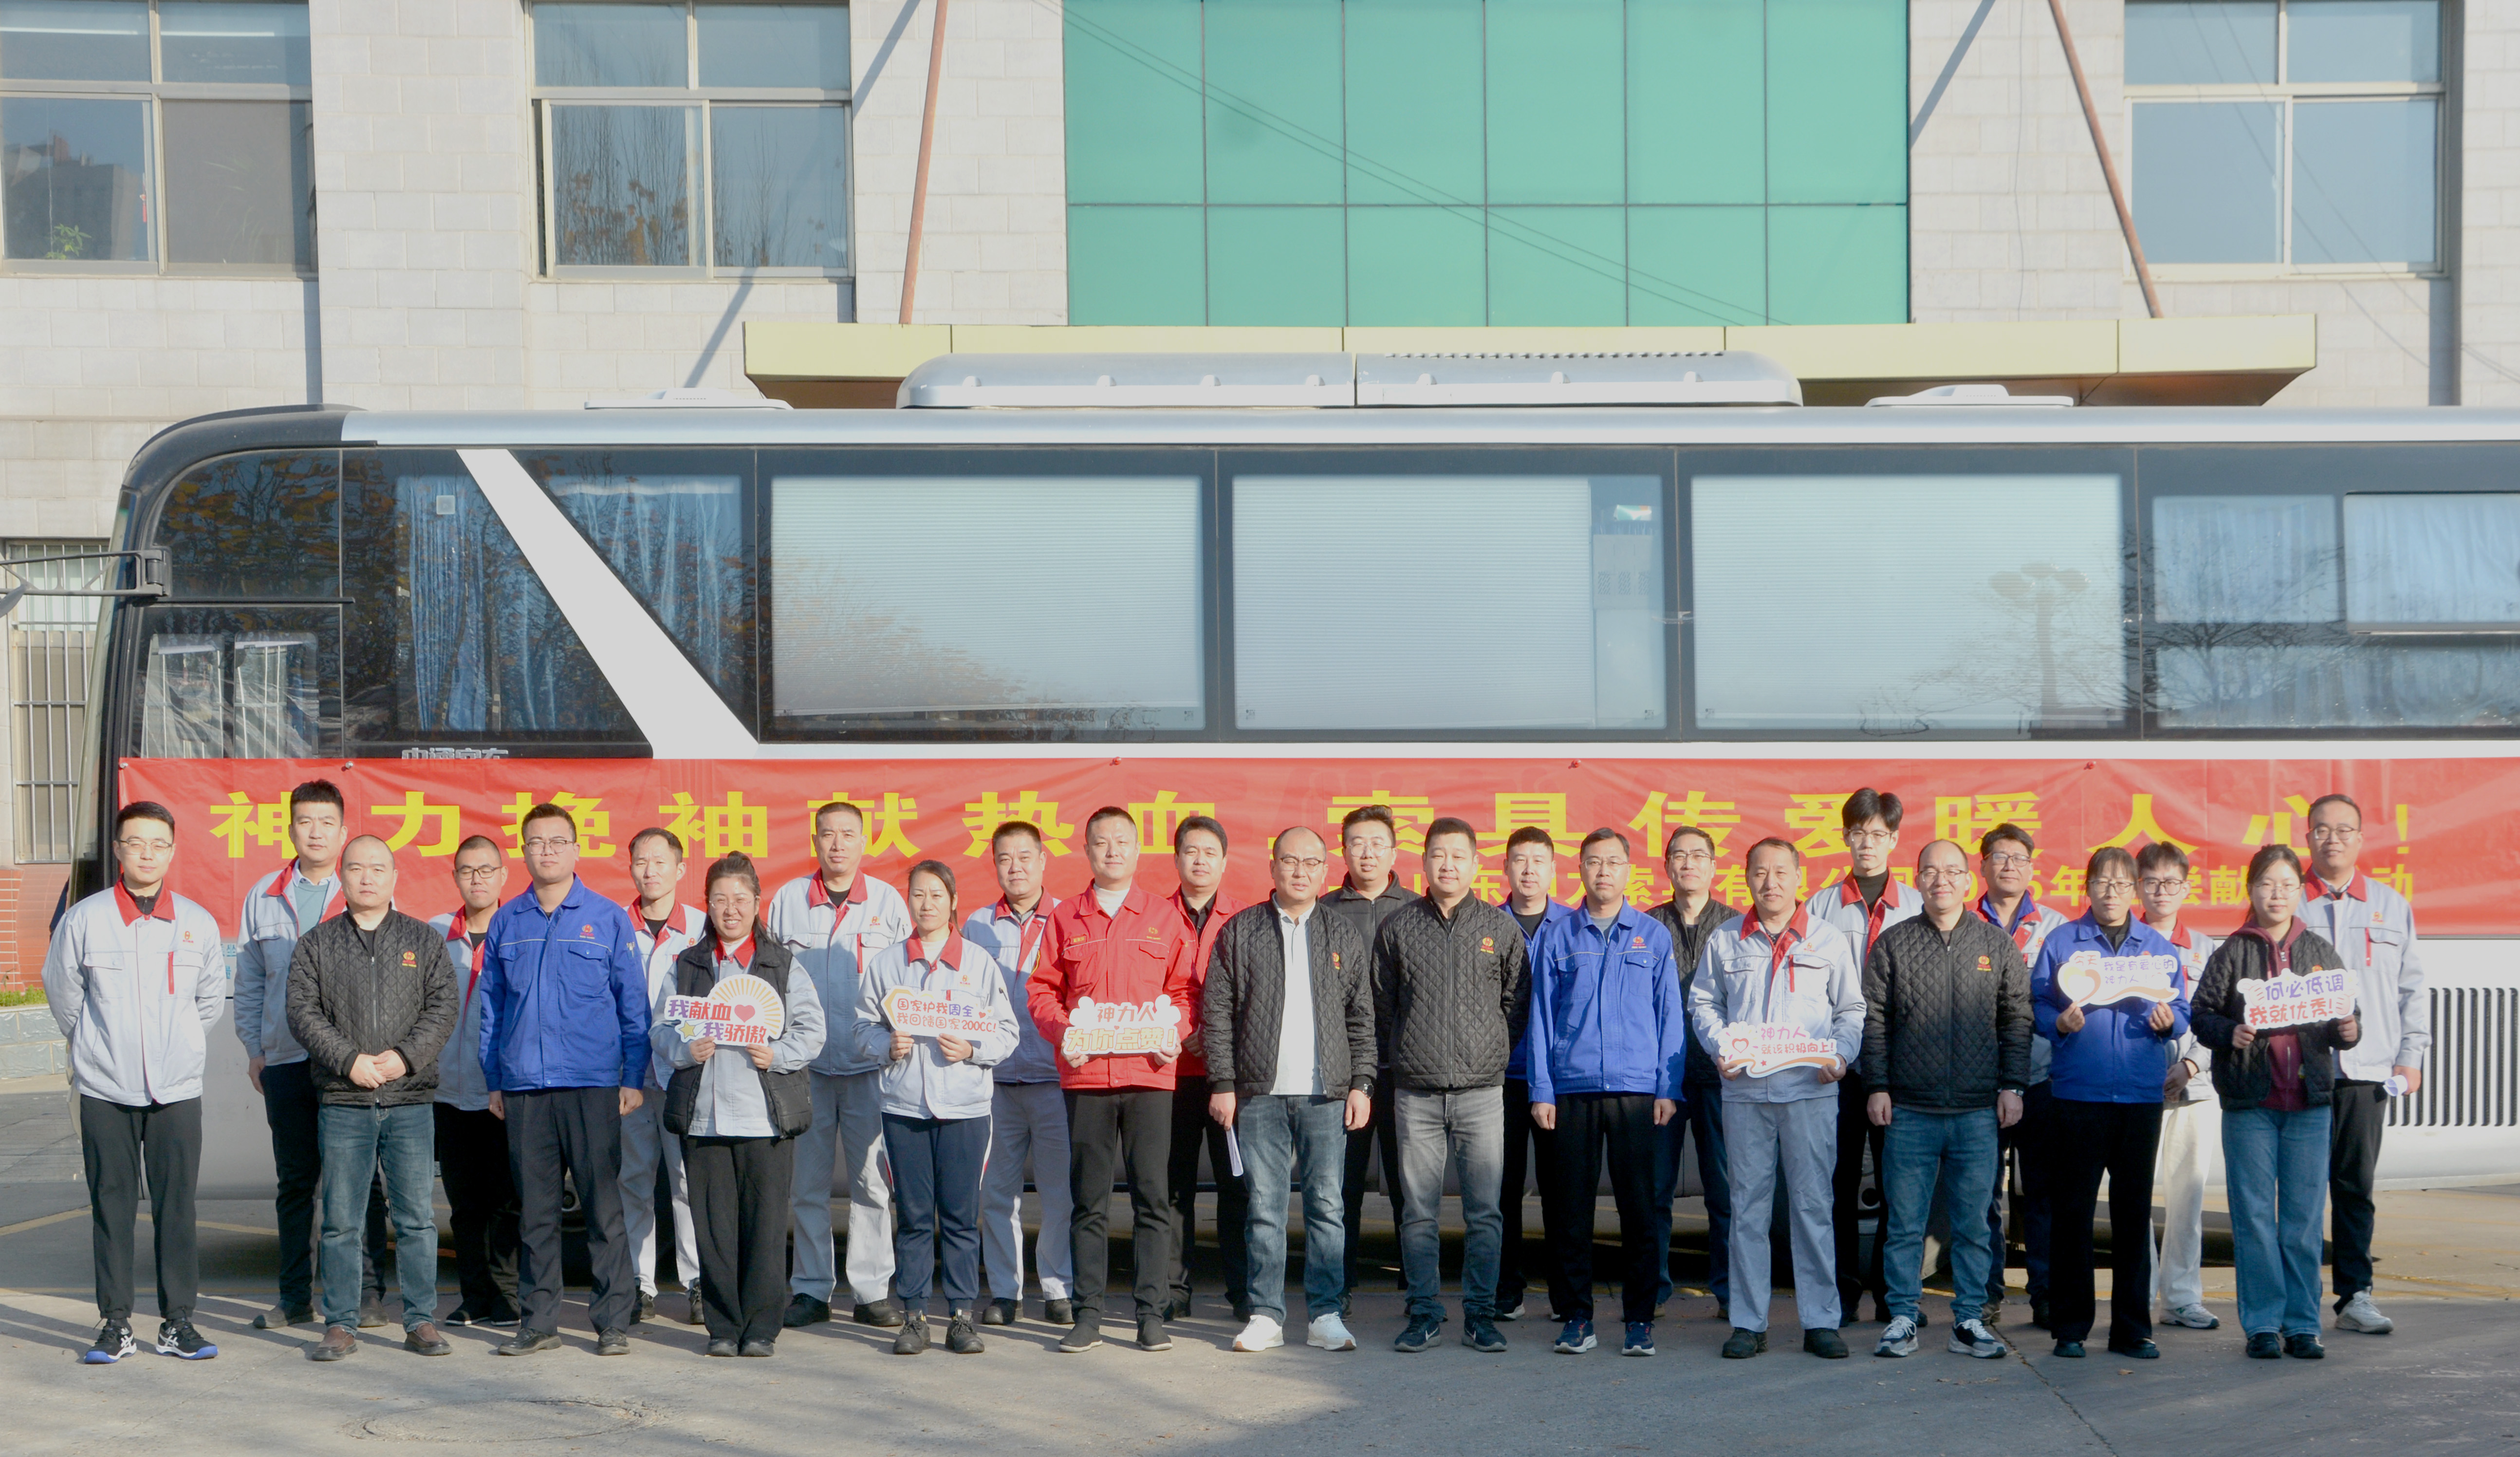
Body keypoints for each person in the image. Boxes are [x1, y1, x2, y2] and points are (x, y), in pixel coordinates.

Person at [45, 801, 225, 1364]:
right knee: (111, 1206)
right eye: (136, 842)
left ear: (172, 851)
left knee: (178, 1208)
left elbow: (209, 1002)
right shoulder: (86, 919)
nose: (147, 853)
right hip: (105, 1089)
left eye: (158, 843)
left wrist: (178, 1046)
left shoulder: (196, 922)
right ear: (118, 849)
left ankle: (178, 1322)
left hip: (177, 1090)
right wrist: (96, 1046)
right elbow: (63, 994)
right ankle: (116, 1323)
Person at [475, 802, 651, 1356]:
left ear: (576, 849)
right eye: (536, 842)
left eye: (557, 841)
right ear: (523, 852)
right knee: (536, 1214)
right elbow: (491, 1008)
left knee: (603, 1209)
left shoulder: (607, 917)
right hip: (525, 1087)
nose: (546, 851)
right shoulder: (507, 921)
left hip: (592, 1084)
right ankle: (539, 1322)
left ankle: (612, 1321)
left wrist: (632, 1075)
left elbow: (633, 1004)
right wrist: (494, 1078)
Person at [1028, 806, 1201, 1353]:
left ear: (1138, 849)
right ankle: (1088, 1315)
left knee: (1153, 1198)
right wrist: (1066, 1032)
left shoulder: (1164, 917)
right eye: (1101, 842)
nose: (1112, 851)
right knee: (1089, 1202)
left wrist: (1176, 1030)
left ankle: (1151, 1314)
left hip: (1150, 1076)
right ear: (1086, 850)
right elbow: (1041, 992)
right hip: (1086, 1080)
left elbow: (1186, 992)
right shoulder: (1065, 918)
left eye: (1122, 841)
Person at [285, 835, 460, 1361]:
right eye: (357, 868)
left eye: (378, 868)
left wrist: (406, 1057)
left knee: (417, 1219)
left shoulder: (422, 940)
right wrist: (349, 1061)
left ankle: (421, 1319)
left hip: (410, 1101)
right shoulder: (317, 944)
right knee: (341, 1220)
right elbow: (302, 1012)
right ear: (341, 876)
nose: (367, 878)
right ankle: (340, 1323)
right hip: (344, 1100)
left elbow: (443, 1006)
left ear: (394, 877)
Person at [1203, 826, 1375, 1355]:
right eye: (1290, 861)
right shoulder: (1241, 930)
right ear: (1273, 866)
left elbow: (1361, 1017)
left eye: (1311, 863)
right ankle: (1266, 1315)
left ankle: (1325, 1314)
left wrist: (1362, 1083)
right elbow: (1217, 1013)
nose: (1300, 871)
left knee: (1327, 1206)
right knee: (1264, 1207)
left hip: (1327, 1095)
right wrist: (1223, 1083)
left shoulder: (1341, 933)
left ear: (1325, 870)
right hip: (1259, 1095)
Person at [1691, 837, 1863, 1361]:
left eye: (1781, 872)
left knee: (1812, 1206)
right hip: (1745, 1093)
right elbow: (1704, 1002)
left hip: (1810, 1091)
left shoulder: (1826, 939)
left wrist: (1841, 1056)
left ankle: (1821, 1321)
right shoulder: (1726, 939)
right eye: (1760, 872)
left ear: (1798, 877)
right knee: (1748, 1208)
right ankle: (1748, 1322)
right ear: (1746, 878)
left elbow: (1850, 1010)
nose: (1771, 882)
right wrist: (1720, 1046)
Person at [2190, 845, 2362, 1361]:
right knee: (2255, 1218)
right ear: (2251, 890)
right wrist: (2229, 1031)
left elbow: (2343, 1015)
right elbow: (2201, 1014)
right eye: (2267, 884)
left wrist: (2349, 1031)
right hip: (2251, 1103)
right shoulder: (2232, 952)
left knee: (2303, 1221)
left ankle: (2303, 1324)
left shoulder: (2318, 951)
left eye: (2287, 885)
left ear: (2300, 892)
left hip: (2310, 1104)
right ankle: (2263, 1324)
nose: (2277, 894)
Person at [1862, 839, 2028, 1361]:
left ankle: (1970, 1319)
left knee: (1974, 1224)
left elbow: (2016, 1019)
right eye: (1931, 871)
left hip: (1978, 1111)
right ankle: (1902, 1317)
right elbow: (1874, 1020)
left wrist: (2013, 1086)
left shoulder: (1996, 944)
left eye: (1952, 871)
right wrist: (1877, 1085)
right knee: (1904, 1224)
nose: (1942, 880)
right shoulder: (1893, 944)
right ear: (1917, 880)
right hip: (1909, 1109)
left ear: (1968, 880)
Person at [1526, 829, 1689, 1359]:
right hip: (1571, 1091)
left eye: (1613, 862)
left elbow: (1669, 1016)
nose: (1603, 872)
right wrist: (1542, 1089)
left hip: (1637, 1092)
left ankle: (1639, 1319)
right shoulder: (1559, 936)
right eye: (1594, 862)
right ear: (1580, 869)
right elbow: (1541, 1017)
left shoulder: (1652, 936)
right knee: (1570, 1212)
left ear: (1628, 871)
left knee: (1639, 1210)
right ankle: (1577, 1318)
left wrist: (1668, 1087)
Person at [233, 779, 388, 1331]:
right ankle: (295, 1296)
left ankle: (368, 1295)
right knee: (297, 1182)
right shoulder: (264, 895)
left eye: (327, 822)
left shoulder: (363, 889)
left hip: (351, 1064)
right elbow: (250, 980)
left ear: (344, 832)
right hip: (286, 1061)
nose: (316, 832)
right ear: (291, 829)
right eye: (306, 821)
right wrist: (255, 1047)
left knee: (361, 1180)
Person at [659, 853, 825, 1358]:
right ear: (707, 905)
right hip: (704, 1118)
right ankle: (723, 1327)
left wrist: (778, 1055)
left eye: (740, 899)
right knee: (714, 1230)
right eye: (719, 900)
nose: (730, 909)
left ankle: (761, 1329)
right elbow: (660, 1029)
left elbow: (812, 1030)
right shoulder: (687, 965)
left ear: (757, 903)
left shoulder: (782, 964)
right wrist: (685, 1050)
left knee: (765, 1228)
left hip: (764, 1118)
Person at [1375, 816, 1530, 1354]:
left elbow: (1515, 1004)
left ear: (1475, 864)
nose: (1448, 865)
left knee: (1484, 1211)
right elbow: (1383, 1004)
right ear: (1423, 861)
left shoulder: (1499, 928)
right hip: (1415, 1092)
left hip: (1481, 1094)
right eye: (1438, 855)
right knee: (1418, 1211)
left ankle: (1480, 1315)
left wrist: (1490, 1053)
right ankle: (1424, 1312)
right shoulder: (1398, 927)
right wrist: (1405, 1053)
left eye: (1458, 855)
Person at [2030, 847, 2189, 1360]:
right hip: (2078, 1093)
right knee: (2073, 1213)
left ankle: (2131, 1330)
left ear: (2135, 890)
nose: (2111, 893)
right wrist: (2057, 1023)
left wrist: (2172, 1023)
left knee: (2133, 1213)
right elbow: (2038, 1002)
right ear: (2087, 888)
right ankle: (2071, 1327)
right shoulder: (2063, 943)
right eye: (2102, 882)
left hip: (2140, 1096)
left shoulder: (2157, 950)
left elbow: (2183, 1010)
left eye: (2122, 884)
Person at [856, 859, 1020, 1356]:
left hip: (965, 1109)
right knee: (912, 1215)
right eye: (918, 895)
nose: (926, 904)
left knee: (959, 1215)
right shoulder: (888, 964)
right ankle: (914, 1317)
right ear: (908, 901)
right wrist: (887, 1045)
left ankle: (961, 1317)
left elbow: (1006, 1031)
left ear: (953, 902)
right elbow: (862, 1028)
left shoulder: (978, 962)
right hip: (904, 1107)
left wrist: (971, 1049)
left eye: (936, 895)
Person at [766, 800, 913, 1330]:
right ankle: (811, 1289)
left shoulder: (888, 902)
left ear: (864, 841)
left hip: (868, 1068)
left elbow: (906, 981)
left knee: (872, 1184)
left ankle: (872, 1291)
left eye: (848, 834)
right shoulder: (787, 901)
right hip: (805, 1070)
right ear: (815, 840)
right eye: (828, 834)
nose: (837, 844)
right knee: (807, 1186)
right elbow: (768, 982)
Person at [2298, 792, 2427, 1337]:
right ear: (2307, 836)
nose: (2333, 839)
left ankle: (2355, 1296)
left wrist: (2410, 1056)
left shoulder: (2390, 905)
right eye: (2322, 830)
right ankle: (2297, 1302)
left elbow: (2411, 989)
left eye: (2344, 830)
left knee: (2354, 1187)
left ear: (2360, 838)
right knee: (2301, 1190)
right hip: (2301, 1071)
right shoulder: (2287, 901)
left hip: (2367, 1071)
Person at [1804, 787, 1919, 1326]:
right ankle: (1842, 1295)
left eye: (1878, 834)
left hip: (1899, 1066)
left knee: (1900, 1185)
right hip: (1839, 1068)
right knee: (1837, 1182)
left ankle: (1895, 1297)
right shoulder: (1820, 906)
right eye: (1858, 833)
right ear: (1845, 837)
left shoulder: (1916, 904)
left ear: (1894, 839)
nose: (1867, 844)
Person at [964, 821, 1075, 1326]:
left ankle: (1058, 1288)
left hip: (1054, 1081)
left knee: (1058, 1195)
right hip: (995, 1083)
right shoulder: (977, 925)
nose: (1016, 868)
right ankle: (1005, 1292)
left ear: (1043, 860)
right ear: (994, 865)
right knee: (996, 1195)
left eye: (1025, 857)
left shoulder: (1068, 918)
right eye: (1005, 858)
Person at [1320, 804, 1416, 1316]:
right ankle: (1338, 1288)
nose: (1368, 853)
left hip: (1405, 1070)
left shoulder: (1419, 910)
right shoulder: (1323, 912)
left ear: (1395, 852)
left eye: (1378, 843)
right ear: (1344, 851)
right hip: (1343, 1072)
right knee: (1342, 1186)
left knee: (1409, 1185)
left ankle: (1416, 1290)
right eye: (1357, 843)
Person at [1976, 821, 2068, 1328]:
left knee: (2042, 1192)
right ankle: (1985, 1292)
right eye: (2000, 856)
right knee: (1981, 1194)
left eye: (2019, 858)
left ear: (2032, 868)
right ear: (1983, 865)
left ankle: (2046, 1293)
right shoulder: (1963, 922)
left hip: (2042, 1078)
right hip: (1979, 1081)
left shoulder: (2056, 928)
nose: (2009, 866)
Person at [1648, 825, 1740, 1317]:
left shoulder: (1735, 927)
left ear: (1713, 866)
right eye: (1679, 856)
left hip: (1720, 1075)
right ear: (1667, 866)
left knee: (1724, 1192)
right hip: (1661, 1077)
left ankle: (1729, 1293)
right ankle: (1653, 1290)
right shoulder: (1647, 925)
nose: (1689, 863)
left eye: (1698, 855)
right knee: (1654, 1190)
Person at [431, 835, 521, 1328]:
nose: (477, 879)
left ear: (504, 875)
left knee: (507, 1201)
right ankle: (474, 1296)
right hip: (449, 1091)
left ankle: (507, 1295)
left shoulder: (521, 931)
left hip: (506, 1091)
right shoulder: (433, 935)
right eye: (467, 871)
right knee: (464, 1204)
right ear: (455, 878)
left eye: (486, 870)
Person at [1163, 814, 1250, 1322]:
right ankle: (1174, 1290)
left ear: (1224, 861)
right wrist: (1181, 1029)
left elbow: (1254, 995)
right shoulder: (1155, 916)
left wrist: (1214, 1038)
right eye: (1191, 851)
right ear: (1176, 859)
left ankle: (1243, 1290)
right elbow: (1146, 987)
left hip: (1229, 1079)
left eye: (1209, 852)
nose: (1200, 861)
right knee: (1174, 1187)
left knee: (1237, 1185)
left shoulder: (1245, 920)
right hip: (1170, 1075)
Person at [620, 827, 707, 1325]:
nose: (650, 871)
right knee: (633, 1181)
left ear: (680, 869)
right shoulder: (614, 926)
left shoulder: (700, 928)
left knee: (687, 1183)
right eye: (641, 861)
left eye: (660, 861)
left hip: (684, 1077)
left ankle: (698, 1282)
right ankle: (640, 1282)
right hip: (630, 1080)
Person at [2136, 841, 2222, 1333]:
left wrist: (2189, 1066)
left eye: (2171, 882)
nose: (2161, 891)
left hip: (2196, 1091)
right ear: (2138, 887)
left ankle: (2182, 1299)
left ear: (2187, 888)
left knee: (2187, 1201)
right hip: (2138, 1091)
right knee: (2135, 1201)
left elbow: (2218, 1018)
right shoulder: (2123, 946)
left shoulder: (2207, 950)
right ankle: (2138, 1296)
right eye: (2151, 882)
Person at [1495, 825, 1575, 1322]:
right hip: (1501, 1077)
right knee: (1501, 1190)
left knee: (1561, 1190)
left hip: (1559, 1079)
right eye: (1519, 860)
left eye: (1538, 861)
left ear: (1553, 869)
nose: (1528, 870)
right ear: (1505, 867)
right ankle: (1507, 1290)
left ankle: (1565, 1296)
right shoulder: (1487, 924)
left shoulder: (1573, 925)